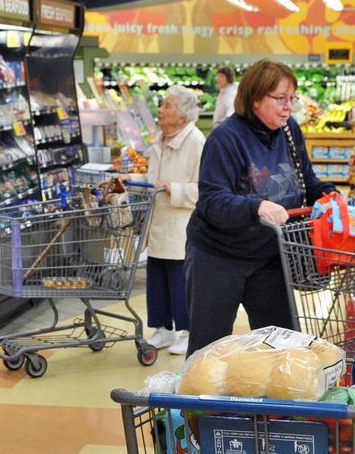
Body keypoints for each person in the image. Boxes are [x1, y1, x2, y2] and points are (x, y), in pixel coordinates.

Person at [185, 58, 335, 356]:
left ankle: (271, 403)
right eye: (280, 98)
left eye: (292, 98)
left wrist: (330, 196)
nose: (288, 106)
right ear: (254, 99)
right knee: (209, 349)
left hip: (270, 256)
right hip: (218, 257)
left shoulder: (289, 131)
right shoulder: (226, 139)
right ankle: (202, 404)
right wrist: (257, 206)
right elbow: (212, 201)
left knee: (282, 346)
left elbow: (306, 181)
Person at [143, 85, 205, 357]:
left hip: (181, 223)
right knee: (156, 277)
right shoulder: (158, 140)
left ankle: (188, 331)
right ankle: (163, 328)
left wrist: (173, 188)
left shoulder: (196, 142)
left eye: (167, 105)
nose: (160, 109)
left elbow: (205, 189)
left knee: (181, 280)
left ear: (182, 116)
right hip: (158, 221)